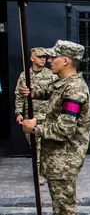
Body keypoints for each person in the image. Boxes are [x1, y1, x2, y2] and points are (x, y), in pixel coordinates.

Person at [20, 40, 90, 215]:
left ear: (66, 61)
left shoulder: (75, 90)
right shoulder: (64, 85)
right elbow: (52, 99)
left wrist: (34, 128)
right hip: (57, 160)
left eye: (54, 57)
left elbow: (64, 128)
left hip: (64, 161)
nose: (49, 60)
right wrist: (33, 93)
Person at [15, 47, 57, 185]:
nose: (43, 59)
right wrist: (19, 113)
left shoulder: (52, 75)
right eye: (39, 57)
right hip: (31, 116)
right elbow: (19, 95)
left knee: (45, 146)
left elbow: (57, 95)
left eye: (44, 57)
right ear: (32, 58)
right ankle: (39, 172)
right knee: (35, 146)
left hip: (46, 116)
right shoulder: (24, 76)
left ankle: (42, 173)